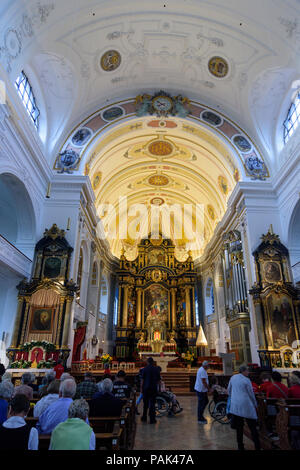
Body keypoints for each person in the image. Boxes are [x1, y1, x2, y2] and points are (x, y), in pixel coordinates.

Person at [228, 365, 261, 451]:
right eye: (247, 371)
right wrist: (255, 404)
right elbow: (251, 394)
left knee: (239, 428)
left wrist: (233, 397)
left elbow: (229, 390)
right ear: (243, 371)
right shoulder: (246, 380)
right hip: (246, 405)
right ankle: (257, 446)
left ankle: (240, 446)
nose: (248, 372)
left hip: (236, 405)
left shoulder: (233, 377)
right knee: (252, 427)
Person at [140, 357, 161, 424]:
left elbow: (142, 380)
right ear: (153, 362)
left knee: (145, 404)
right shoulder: (156, 369)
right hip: (153, 388)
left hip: (146, 388)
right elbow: (159, 380)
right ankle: (152, 419)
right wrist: (159, 388)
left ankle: (144, 417)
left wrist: (141, 388)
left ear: (147, 362)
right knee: (152, 404)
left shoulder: (144, 369)